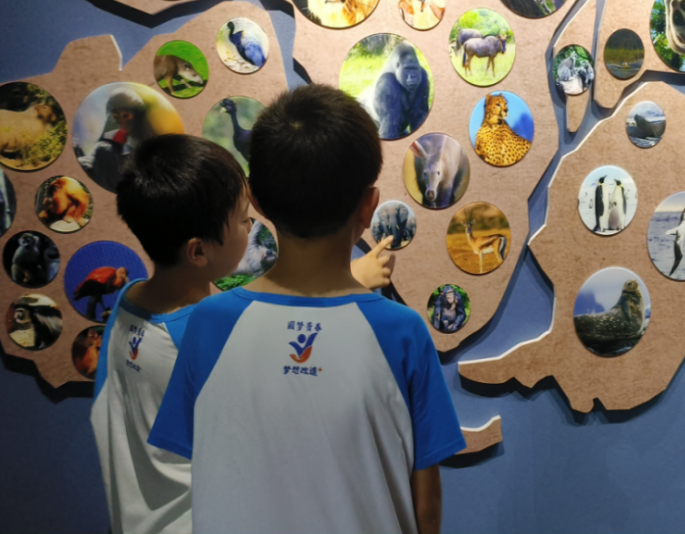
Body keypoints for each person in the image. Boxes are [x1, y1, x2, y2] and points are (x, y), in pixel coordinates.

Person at [148, 84, 464, 534]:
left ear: (256, 200)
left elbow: (195, 464)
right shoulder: (403, 333)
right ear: (369, 208)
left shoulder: (208, 324)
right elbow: (426, 505)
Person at [90, 134, 251, 534]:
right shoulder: (206, 334)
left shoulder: (128, 299)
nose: (251, 225)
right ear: (198, 252)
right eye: (243, 218)